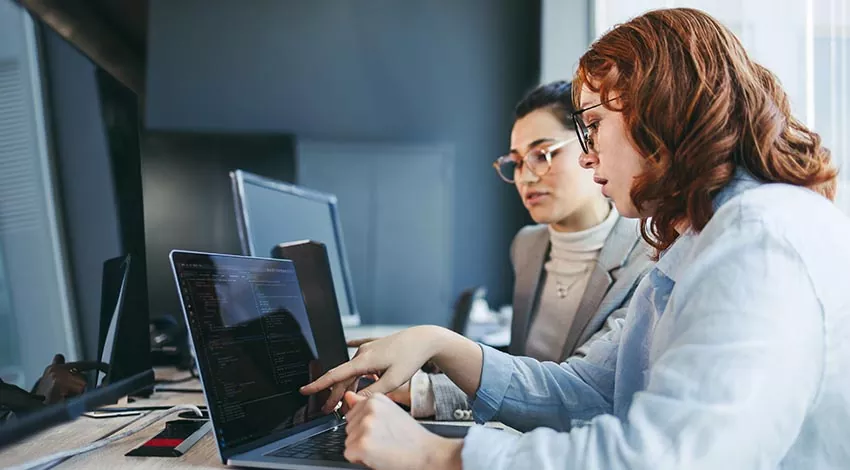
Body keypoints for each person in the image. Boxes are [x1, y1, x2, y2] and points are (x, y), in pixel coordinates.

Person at [301, 7, 850, 469]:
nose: (588, 155)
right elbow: (588, 392)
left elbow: (666, 459)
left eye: (591, 125)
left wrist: (439, 457)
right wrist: (442, 344)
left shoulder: (757, 243)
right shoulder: (699, 241)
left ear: (660, 111)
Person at [362, 81, 652, 421]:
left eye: (543, 154)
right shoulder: (528, 246)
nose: (526, 178)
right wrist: (417, 371)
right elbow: (522, 377)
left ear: (591, 144)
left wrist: (425, 383)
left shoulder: (649, 256)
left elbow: (575, 389)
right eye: (515, 163)